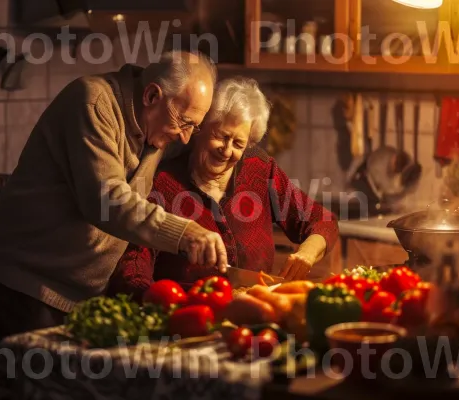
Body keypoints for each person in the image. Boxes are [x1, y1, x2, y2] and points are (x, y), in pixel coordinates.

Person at [0, 51, 230, 373]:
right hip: (29, 286)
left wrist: (237, 139)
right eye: (183, 123)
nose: (183, 137)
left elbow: (202, 143)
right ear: (152, 95)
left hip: (86, 294)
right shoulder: (92, 102)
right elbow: (107, 201)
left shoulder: (159, 118)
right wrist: (185, 232)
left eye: (192, 127)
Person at [106, 77, 338, 300]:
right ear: (200, 129)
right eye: (221, 136)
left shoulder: (258, 168)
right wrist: (162, 305)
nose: (227, 151)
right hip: (192, 318)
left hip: (255, 314)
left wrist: (306, 253)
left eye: (238, 143)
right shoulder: (163, 181)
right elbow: (133, 268)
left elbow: (321, 220)